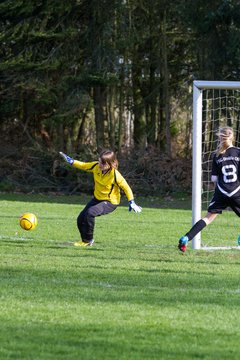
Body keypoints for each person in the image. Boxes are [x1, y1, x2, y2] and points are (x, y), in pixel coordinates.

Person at [59, 149, 142, 247]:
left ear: (110, 163)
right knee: (80, 219)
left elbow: (126, 187)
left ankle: (88, 241)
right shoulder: (95, 166)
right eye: (99, 161)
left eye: (102, 163)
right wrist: (72, 161)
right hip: (97, 199)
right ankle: (84, 241)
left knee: (90, 213)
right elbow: (83, 165)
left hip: (110, 202)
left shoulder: (115, 175)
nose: (100, 165)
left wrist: (131, 201)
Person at [178, 126, 240, 252]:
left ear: (220, 138)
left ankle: (186, 237)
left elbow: (214, 179)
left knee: (208, 218)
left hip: (221, 192)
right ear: (232, 137)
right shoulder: (238, 152)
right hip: (236, 191)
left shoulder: (216, 155)